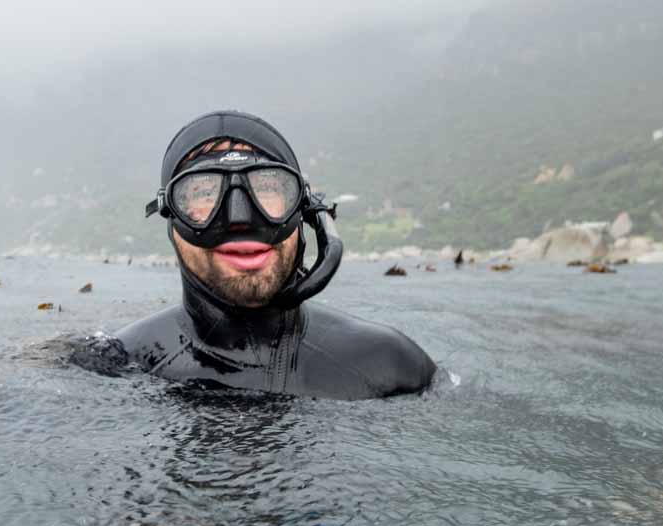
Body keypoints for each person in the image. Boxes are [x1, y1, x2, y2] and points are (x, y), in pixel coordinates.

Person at [71, 109, 436, 399]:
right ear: (171, 217)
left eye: (267, 188)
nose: (239, 219)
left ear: (305, 211)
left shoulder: (394, 365)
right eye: (202, 194)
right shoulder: (118, 362)